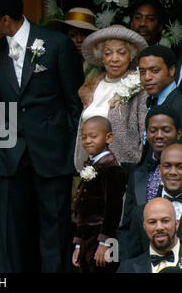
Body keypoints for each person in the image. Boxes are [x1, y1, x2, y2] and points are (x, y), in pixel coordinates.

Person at [0, 0, 84, 273]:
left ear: (4, 19)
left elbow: (74, 103)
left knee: (54, 228)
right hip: (11, 158)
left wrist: (75, 152)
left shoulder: (57, 44)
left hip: (53, 155)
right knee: (13, 233)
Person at [75, 25, 148, 173]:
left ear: (131, 56)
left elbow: (144, 130)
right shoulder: (92, 85)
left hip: (124, 168)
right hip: (91, 166)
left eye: (121, 53)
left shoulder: (139, 86)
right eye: (108, 53)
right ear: (102, 58)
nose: (114, 59)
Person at [119, 106, 182, 258]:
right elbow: (128, 225)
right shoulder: (137, 174)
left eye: (166, 130)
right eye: (153, 130)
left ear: (178, 133)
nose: (159, 135)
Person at [71, 116, 126, 273]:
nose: (88, 141)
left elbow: (113, 209)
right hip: (87, 238)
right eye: (84, 137)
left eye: (93, 136)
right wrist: (78, 243)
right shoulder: (90, 166)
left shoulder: (111, 169)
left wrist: (105, 242)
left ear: (108, 137)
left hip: (102, 236)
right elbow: (81, 209)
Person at [117, 197, 181, 273]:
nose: (159, 227)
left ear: (176, 224)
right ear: (144, 227)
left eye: (165, 221)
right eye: (152, 222)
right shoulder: (127, 269)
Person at [47, 7, 101, 81]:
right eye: (73, 35)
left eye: (84, 34)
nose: (79, 40)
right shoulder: (57, 63)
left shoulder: (102, 64)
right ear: (65, 36)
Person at [138, 45, 182, 134]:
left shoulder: (179, 104)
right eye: (142, 72)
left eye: (155, 71)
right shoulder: (152, 100)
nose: (147, 77)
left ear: (172, 70)